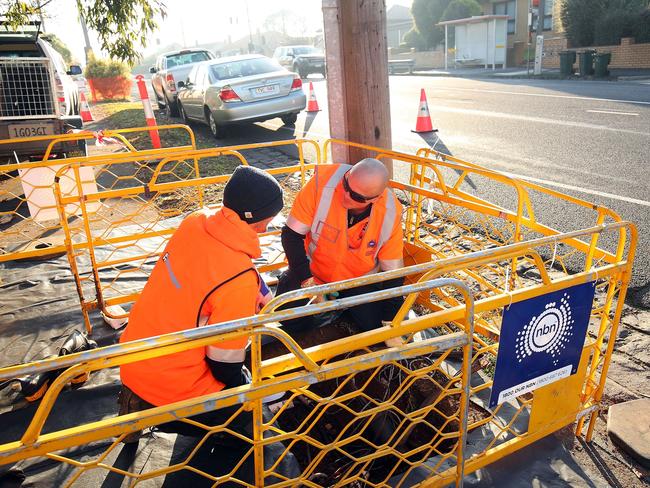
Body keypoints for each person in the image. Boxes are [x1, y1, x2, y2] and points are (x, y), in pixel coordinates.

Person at [118, 165, 299, 483]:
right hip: (175, 388)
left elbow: (215, 272)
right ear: (261, 219)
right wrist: (244, 385)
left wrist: (256, 288)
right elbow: (223, 363)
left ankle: (133, 401)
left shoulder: (195, 222)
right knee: (255, 407)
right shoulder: (237, 278)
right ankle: (245, 447)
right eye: (270, 218)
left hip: (134, 358)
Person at [277, 158, 406, 346]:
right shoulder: (322, 183)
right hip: (313, 275)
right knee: (287, 315)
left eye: (356, 197)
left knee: (376, 328)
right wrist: (309, 283)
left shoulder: (390, 211)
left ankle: (343, 318)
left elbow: (393, 274)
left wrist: (390, 323)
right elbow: (290, 236)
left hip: (357, 283)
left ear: (375, 199)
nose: (345, 196)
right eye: (346, 184)